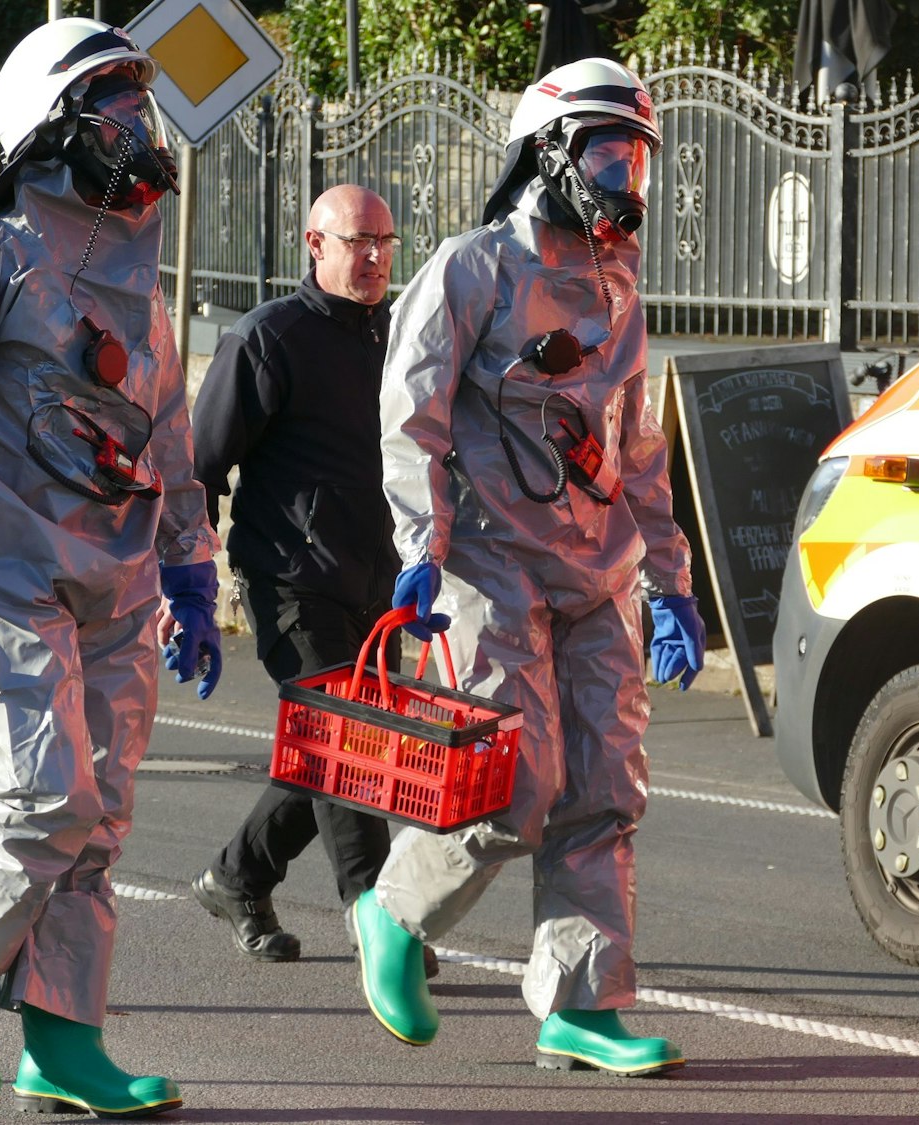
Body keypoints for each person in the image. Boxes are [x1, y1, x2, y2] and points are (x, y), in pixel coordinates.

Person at [0, 17, 219, 1119]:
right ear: (52, 128)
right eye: (113, 107)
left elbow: (165, 430)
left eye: (139, 105)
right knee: (45, 790)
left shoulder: (136, 277)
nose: (135, 128)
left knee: (102, 814)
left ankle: (66, 1044)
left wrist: (189, 570)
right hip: (8, 568)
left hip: (117, 576)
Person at [346, 57, 707, 1078]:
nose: (623, 174)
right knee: (513, 783)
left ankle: (581, 1006)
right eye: (603, 150)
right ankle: (393, 910)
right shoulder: (470, 270)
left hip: (598, 573)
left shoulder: (616, 288)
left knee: (605, 787)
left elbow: (636, 449)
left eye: (633, 153)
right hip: (487, 564)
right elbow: (406, 416)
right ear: (546, 153)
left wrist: (670, 580)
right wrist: (421, 545)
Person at [185, 186, 443, 981]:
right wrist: (187, 581)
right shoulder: (271, 339)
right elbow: (199, 462)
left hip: (379, 586)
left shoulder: (401, 339)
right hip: (289, 578)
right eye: (356, 240)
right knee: (350, 744)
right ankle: (379, 916)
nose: (372, 257)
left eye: (385, 242)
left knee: (328, 752)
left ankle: (239, 877)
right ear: (314, 244)